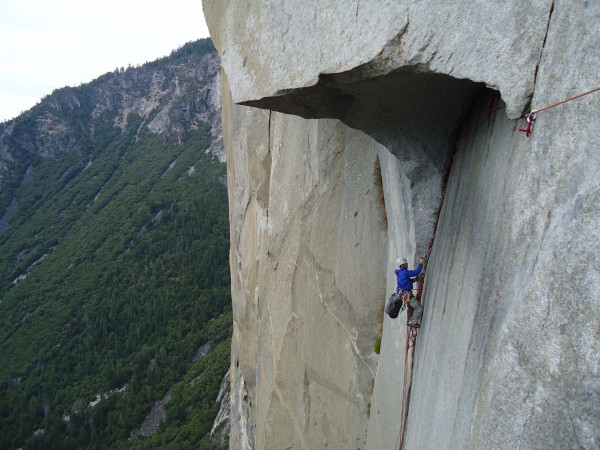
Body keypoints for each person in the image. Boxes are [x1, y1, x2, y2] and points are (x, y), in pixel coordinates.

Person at [395, 256, 427, 327]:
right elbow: (416, 272)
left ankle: (409, 320)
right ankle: (413, 321)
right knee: (419, 308)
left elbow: (406, 282)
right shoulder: (404, 272)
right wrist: (421, 263)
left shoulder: (400, 273)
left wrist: (415, 280)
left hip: (403, 295)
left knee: (410, 307)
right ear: (402, 265)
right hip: (407, 295)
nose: (407, 264)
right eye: (406, 263)